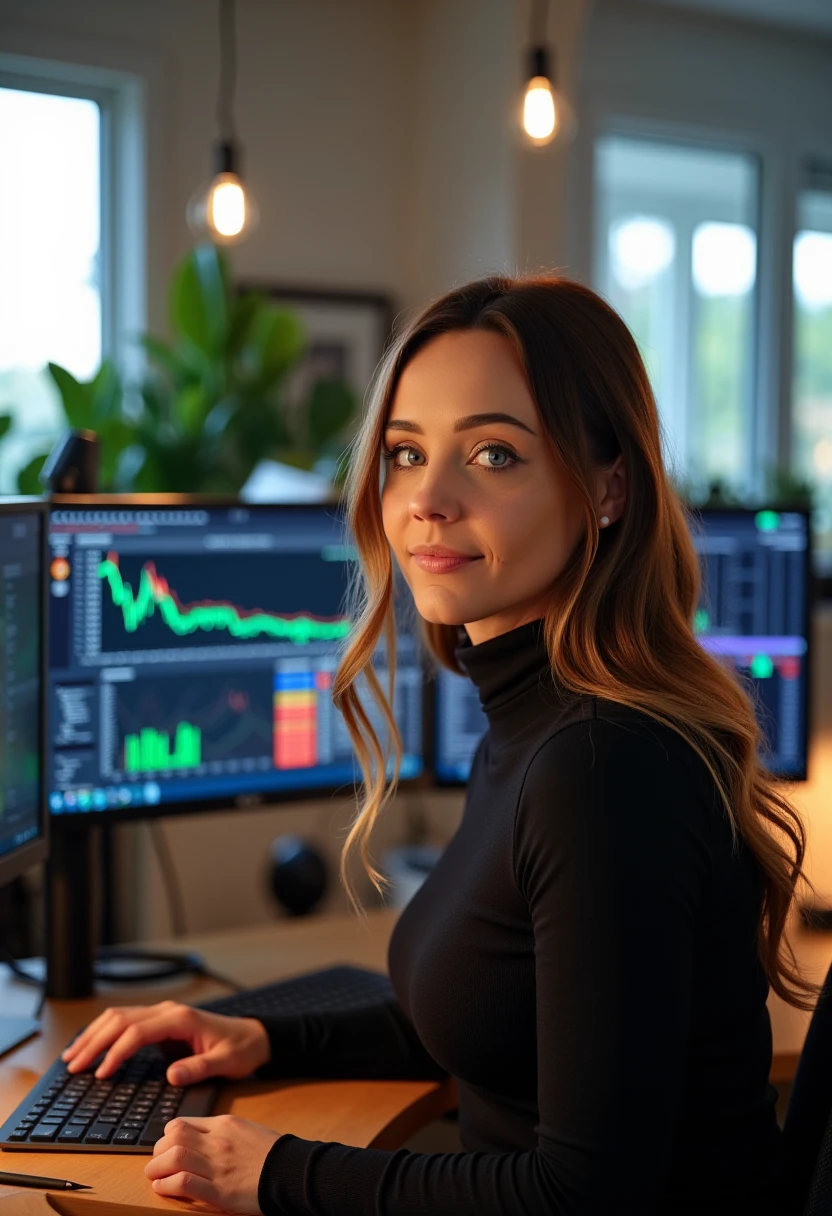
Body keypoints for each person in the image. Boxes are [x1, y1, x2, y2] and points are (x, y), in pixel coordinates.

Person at [62, 274, 818, 1215]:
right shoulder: (538, 726)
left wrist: (276, 1173)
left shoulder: (600, 767)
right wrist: (262, 1035)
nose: (427, 500)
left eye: (494, 455)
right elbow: (500, 1024)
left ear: (610, 487)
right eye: (406, 453)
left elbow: (582, 1196)